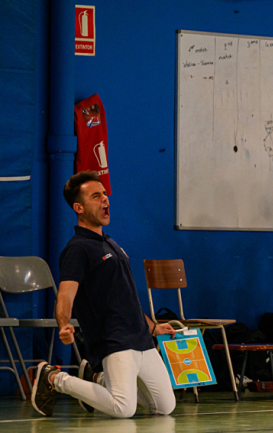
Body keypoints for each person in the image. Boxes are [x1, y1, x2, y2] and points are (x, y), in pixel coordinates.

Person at [31, 171, 177, 418]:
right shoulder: (77, 249)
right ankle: (53, 377)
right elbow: (65, 295)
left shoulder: (111, 244)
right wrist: (64, 324)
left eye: (105, 194)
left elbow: (126, 296)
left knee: (164, 407)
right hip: (113, 339)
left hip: (141, 339)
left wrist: (152, 328)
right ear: (79, 207)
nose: (105, 200)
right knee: (123, 409)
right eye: (96, 196)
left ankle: (97, 380)